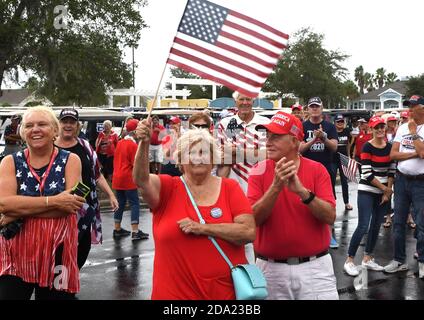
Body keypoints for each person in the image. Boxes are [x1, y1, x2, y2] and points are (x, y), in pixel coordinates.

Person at [133, 120, 255, 299]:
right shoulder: (167, 187)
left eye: (204, 152)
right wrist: (144, 143)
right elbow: (141, 180)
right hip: (173, 296)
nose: (198, 158)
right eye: (191, 153)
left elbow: (248, 231)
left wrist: (202, 228)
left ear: (213, 159)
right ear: (180, 159)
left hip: (223, 295)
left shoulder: (230, 188)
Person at [248, 111, 338, 300]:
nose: (269, 142)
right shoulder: (258, 171)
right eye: (268, 136)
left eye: (276, 137)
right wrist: (275, 187)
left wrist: (303, 193)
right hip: (270, 271)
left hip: (316, 270)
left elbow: (330, 216)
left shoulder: (317, 170)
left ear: (295, 141)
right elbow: (253, 220)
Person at [0, 106, 85, 300]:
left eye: (42, 124)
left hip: (59, 253)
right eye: (29, 125)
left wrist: (19, 210)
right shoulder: (9, 162)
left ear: (55, 130)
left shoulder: (72, 160)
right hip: (16, 254)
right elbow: (4, 204)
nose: (35, 129)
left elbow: (72, 206)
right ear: (23, 132)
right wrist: (55, 201)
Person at [55, 108, 118, 268]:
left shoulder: (85, 147)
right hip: (59, 211)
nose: (68, 125)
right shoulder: (50, 147)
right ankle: (59, 289)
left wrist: (111, 195)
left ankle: (68, 283)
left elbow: (97, 174)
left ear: (77, 126)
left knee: (82, 249)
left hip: (84, 210)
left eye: (72, 122)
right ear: (58, 124)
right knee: (59, 253)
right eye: (64, 121)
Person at [217, 91, 269, 263]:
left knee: (260, 232)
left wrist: (237, 152)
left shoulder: (265, 123)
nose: (245, 102)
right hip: (233, 184)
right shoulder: (225, 124)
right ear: (235, 101)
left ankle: (260, 271)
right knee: (238, 235)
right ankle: (242, 276)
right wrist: (254, 154)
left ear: (253, 100)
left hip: (261, 183)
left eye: (248, 99)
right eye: (242, 99)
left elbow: (269, 155)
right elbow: (221, 156)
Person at [343, 116, 396, 276]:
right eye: (376, 127)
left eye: (382, 127)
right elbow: (366, 173)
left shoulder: (390, 147)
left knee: (376, 225)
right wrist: (385, 189)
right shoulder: (367, 146)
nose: (380, 129)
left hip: (383, 193)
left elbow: (392, 171)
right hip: (367, 191)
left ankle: (367, 258)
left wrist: (388, 190)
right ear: (371, 129)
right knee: (363, 225)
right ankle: (350, 260)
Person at [384, 95, 424, 278]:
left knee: (422, 224)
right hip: (401, 180)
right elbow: (393, 155)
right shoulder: (401, 128)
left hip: (420, 182)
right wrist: (414, 153)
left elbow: (423, 153)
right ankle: (398, 260)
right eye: (408, 105)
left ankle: (422, 260)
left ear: (422, 108)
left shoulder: (414, 128)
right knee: (398, 223)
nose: (409, 109)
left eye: (413, 106)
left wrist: (415, 132)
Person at [299, 96, 339, 248]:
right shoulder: (303, 126)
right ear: (308, 109)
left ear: (322, 108)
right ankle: (306, 233)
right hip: (306, 170)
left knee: (328, 203)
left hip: (325, 170)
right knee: (305, 202)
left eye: (317, 106)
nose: (314, 109)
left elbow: (334, 147)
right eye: (312, 106)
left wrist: (323, 138)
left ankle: (330, 235)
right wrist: (313, 140)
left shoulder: (329, 126)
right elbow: (299, 148)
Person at [112, 119, 149, 241]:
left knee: (120, 203)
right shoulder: (133, 145)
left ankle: (117, 228)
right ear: (134, 131)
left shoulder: (120, 142)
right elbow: (136, 164)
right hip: (128, 178)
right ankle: (135, 231)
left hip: (117, 177)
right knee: (134, 204)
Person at [333, 114, 353, 210]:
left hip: (344, 158)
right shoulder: (332, 131)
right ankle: (332, 201)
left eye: (342, 121)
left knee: (344, 181)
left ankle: (346, 202)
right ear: (335, 122)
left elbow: (349, 144)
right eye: (338, 121)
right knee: (331, 180)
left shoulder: (346, 131)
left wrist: (349, 156)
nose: (340, 123)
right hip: (332, 159)